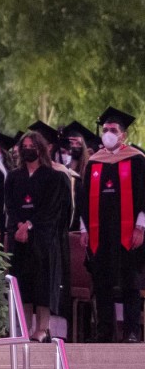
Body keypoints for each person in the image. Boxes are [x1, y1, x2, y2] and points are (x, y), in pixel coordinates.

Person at [78, 106, 145, 343]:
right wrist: (84, 228)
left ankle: (132, 331)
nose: (108, 133)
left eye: (113, 129)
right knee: (102, 281)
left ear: (123, 135)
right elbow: (84, 198)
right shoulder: (95, 161)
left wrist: (140, 227)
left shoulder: (137, 160)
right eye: (105, 129)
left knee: (130, 281)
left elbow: (143, 196)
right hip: (100, 231)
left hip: (128, 230)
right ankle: (105, 330)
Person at [7, 128, 72, 341]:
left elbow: (52, 209)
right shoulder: (14, 177)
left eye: (32, 147)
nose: (28, 151)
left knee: (43, 286)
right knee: (23, 285)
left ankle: (42, 329)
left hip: (43, 239)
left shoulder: (54, 177)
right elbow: (10, 205)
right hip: (19, 238)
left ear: (41, 149)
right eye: (24, 147)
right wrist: (19, 225)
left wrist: (30, 225)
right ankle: (25, 329)